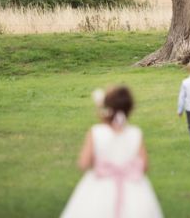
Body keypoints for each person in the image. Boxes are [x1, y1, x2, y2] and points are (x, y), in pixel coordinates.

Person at [61, 86, 162, 218]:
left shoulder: (96, 132)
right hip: (132, 189)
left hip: (100, 187)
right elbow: (145, 166)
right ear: (130, 109)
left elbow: (83, 163)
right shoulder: (135, 133)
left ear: (106, 108)